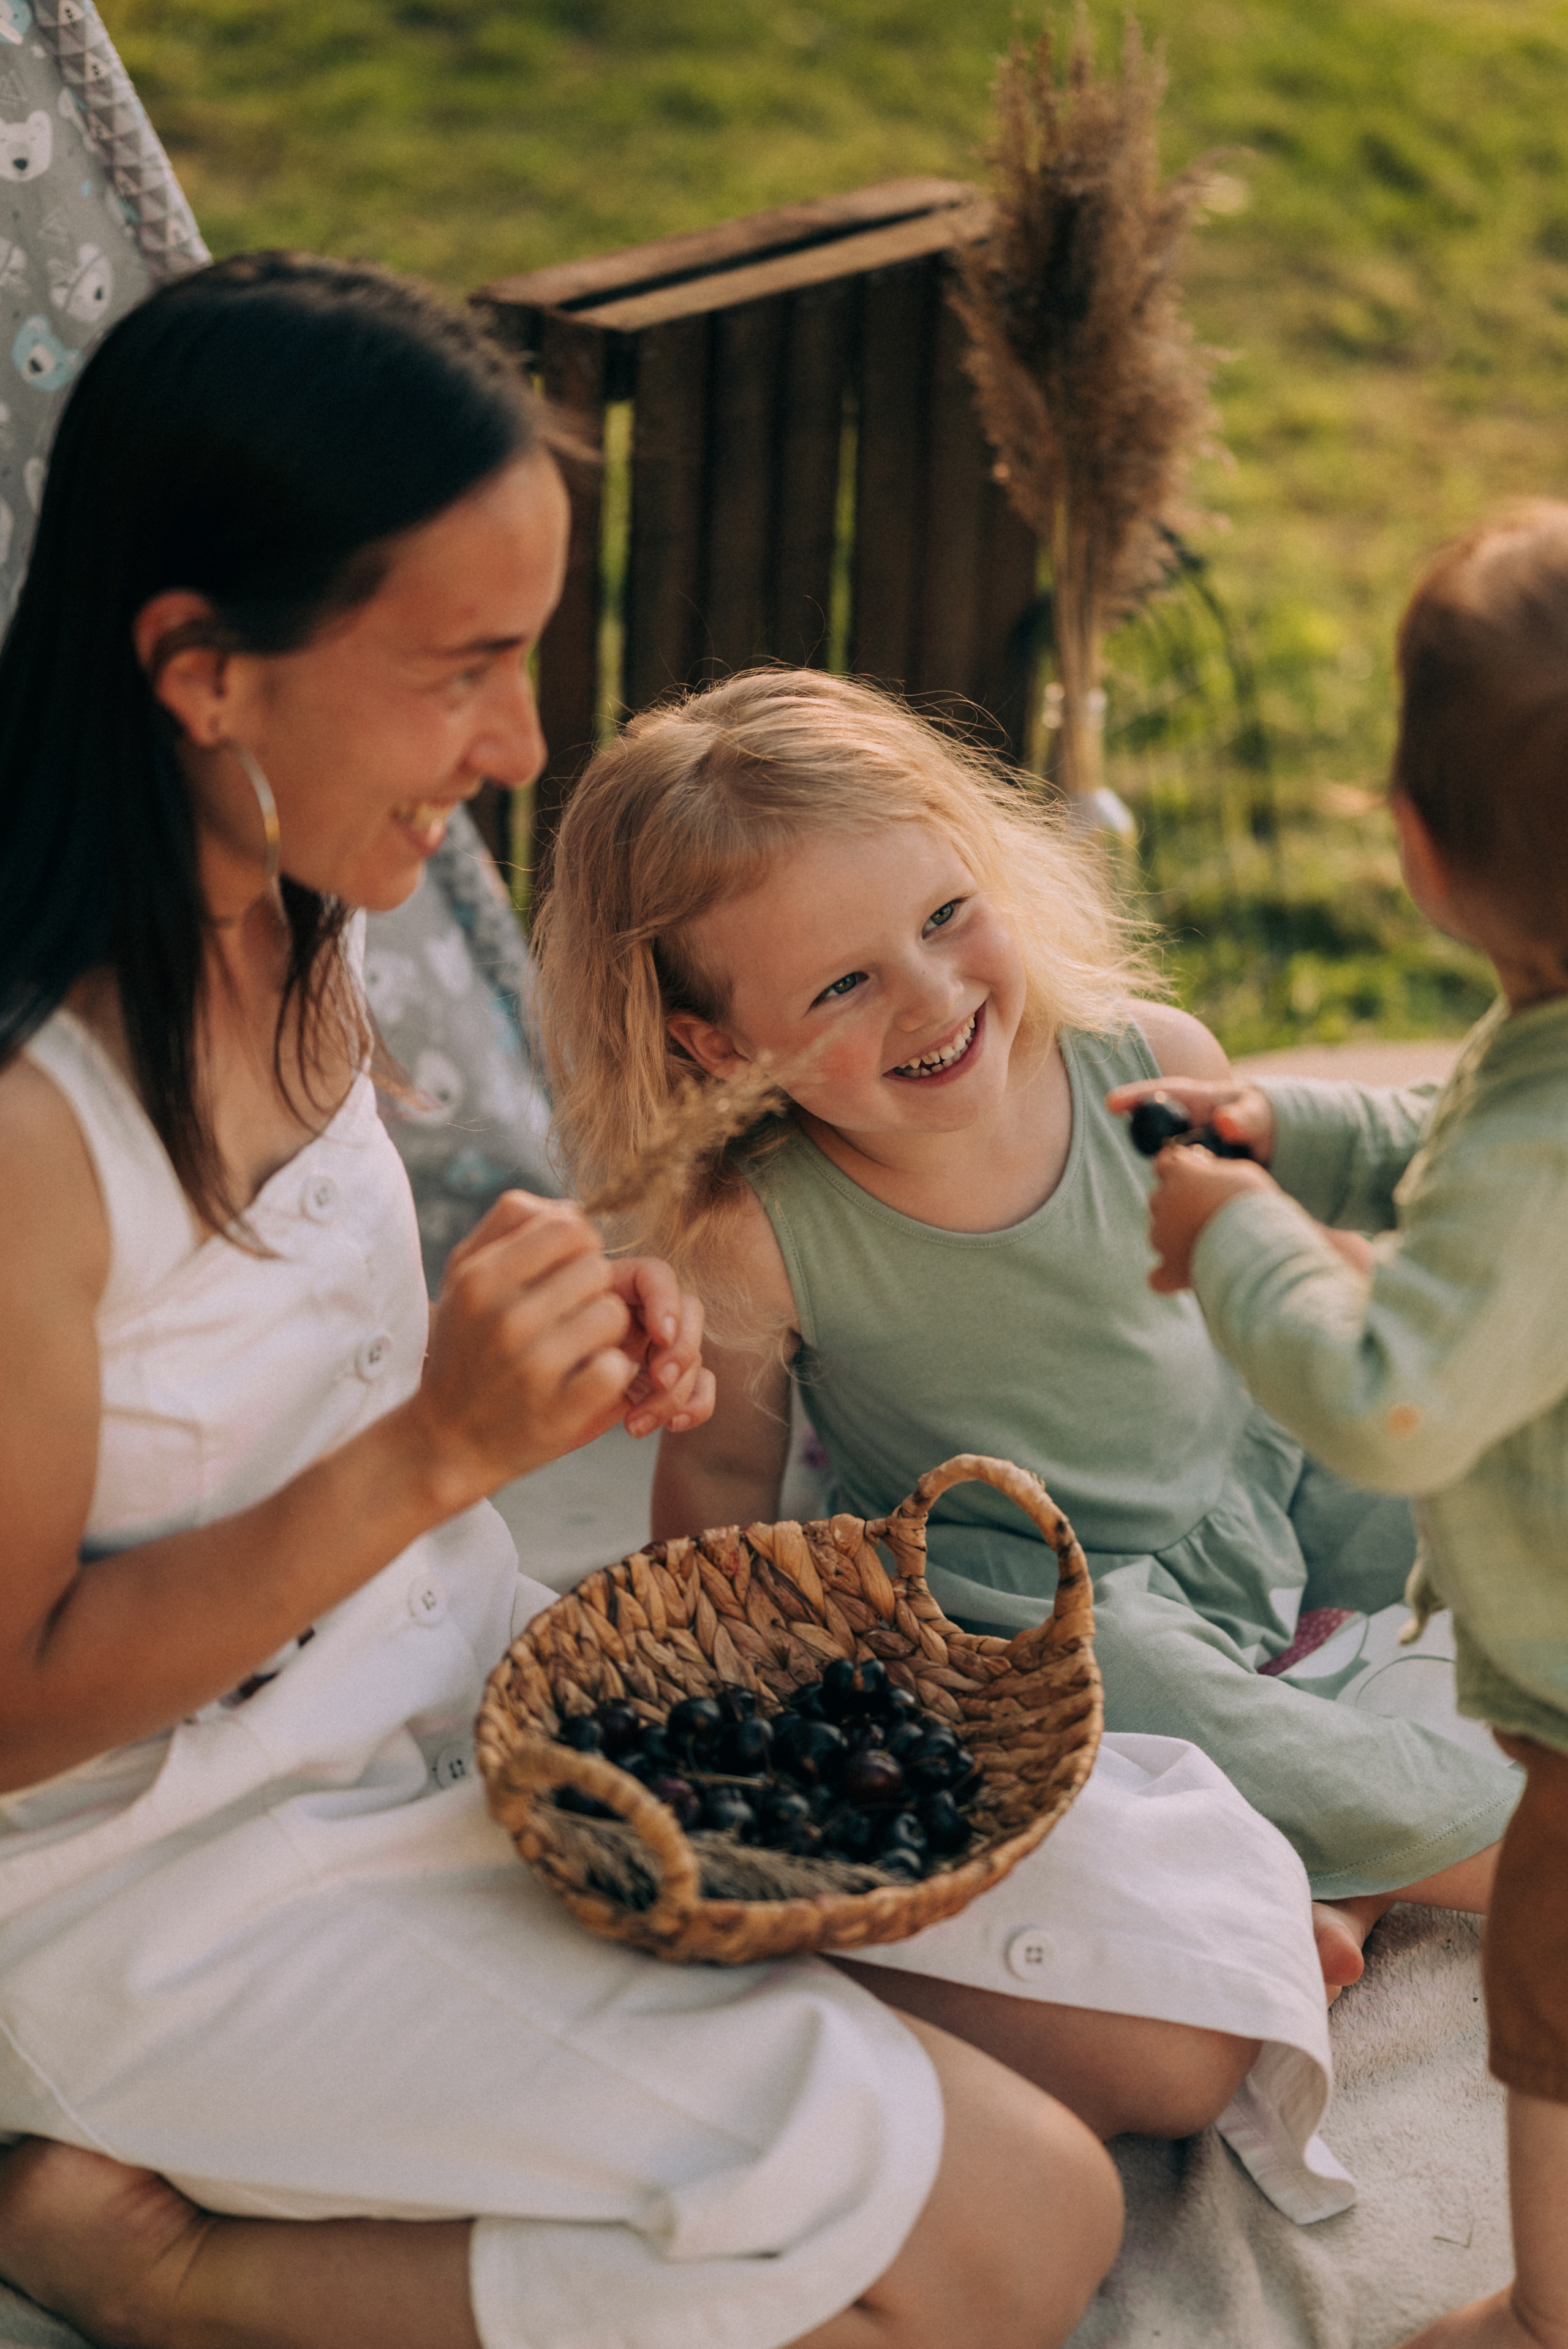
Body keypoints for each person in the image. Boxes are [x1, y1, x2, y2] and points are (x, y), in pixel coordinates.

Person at [0, 254, 1125, 2349]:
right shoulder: (29, 1130)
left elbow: (258, 1355)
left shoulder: (297, 905)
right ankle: (162, 2269)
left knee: (1169, 2011)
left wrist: (538, 1332)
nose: (521, 743)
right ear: (202, 672)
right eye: (465, 669)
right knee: (1021, 2235)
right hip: (164, 1862)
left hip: (457, 1690)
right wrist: (439, 1448)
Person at [533, 667, 1517, 2018]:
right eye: (842, 984)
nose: (930, 995)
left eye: (946, 915)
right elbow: (718, 1482)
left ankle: (1338, 1884)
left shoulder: (1150, 1060)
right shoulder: (756, 1234)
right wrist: (714, 1686)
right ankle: (1503, 1856)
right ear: (717, 1047)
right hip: (1039, 1588)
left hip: (1244, 1472)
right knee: (1135, 1697)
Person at [1134, 502, 1568, 2349]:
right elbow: (1440, 1145)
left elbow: (1390, 1402)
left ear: (1410, 843)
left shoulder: (1548, 1132)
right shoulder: (1540, 1046)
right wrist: (1289, 1134)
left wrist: (1235, 1237)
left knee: (1543, 2002)